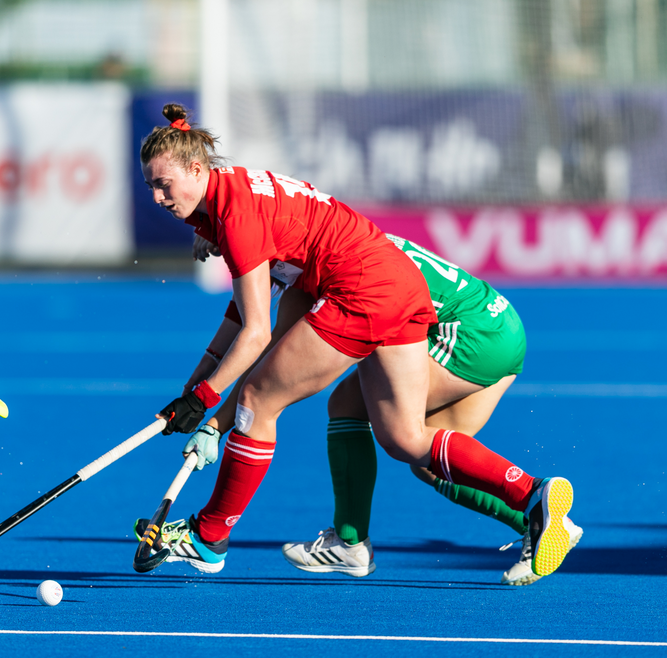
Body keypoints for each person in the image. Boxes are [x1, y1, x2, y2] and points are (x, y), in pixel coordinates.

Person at [136, 103, 575, 581]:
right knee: (403, 437)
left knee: (260, 400)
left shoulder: (240, 220)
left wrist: (207, 405)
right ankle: (531, 497)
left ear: (196, 169)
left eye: (164, 185)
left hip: (384, 299)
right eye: (151, 187)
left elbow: (258, 334)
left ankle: (209, 537)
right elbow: (249, 325)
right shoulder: (246, 201)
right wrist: (199, 398)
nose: (157, 197)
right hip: (398, 286)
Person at [185, 233, 582, 585]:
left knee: (367, 416)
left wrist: (216, 423)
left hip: (466, 333)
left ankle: (352, 542)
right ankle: (542, 522)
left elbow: (268, 367)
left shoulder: (311, 273)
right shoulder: (328, 237)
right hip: (499, 322)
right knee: (429, 463)